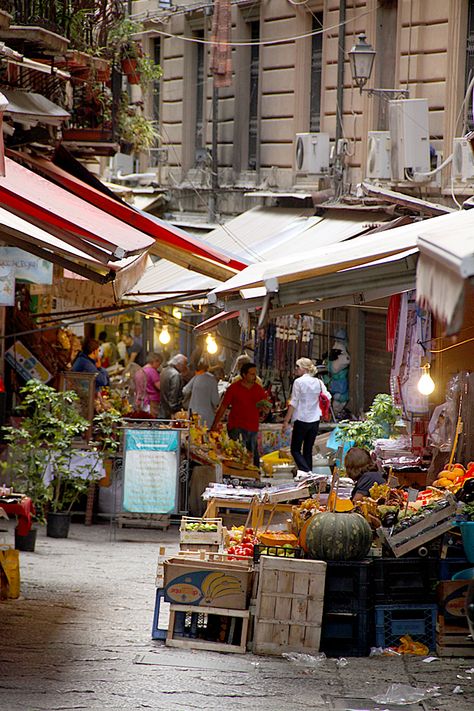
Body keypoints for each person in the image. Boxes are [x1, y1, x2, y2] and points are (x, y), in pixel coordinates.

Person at [281, 357, 331, 477]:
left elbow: (293, 403)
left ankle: (307, 472)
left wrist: (286, 421)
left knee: (295, 449)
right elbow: (328, 396)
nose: (296, 369)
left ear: (304, 368)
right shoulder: (318, 382)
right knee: (308, 449)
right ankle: (310, 475)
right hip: (314, 420)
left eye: (298, 366)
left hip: (301, 419)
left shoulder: (298, 382)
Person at [211, 362, 267, 467]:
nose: (254, 377)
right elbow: (223, 406)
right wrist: (215, 424)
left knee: (252, 454)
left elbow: (264, 407)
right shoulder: (233, 388)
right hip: (236, 426)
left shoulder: (259, 390)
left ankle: (254, 477)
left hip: (252, 427)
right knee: (237, 454)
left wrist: (264, 410)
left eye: (255, 374)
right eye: (251, 374)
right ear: (244, 375)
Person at [182, 358, 220, 428]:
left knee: (194, 435)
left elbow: (185, 390)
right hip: (207, 417)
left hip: (193, 413)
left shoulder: (196, 377)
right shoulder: (213, 380)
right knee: (204, 435)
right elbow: (215, 401)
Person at [159, 354, 188, 419]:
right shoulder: (175, 375)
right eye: (184, 365)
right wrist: (175, 409)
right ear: (179, 364)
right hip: (171, 411)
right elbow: (174, 394)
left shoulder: (164, 370)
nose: (185, 367)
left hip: (163, 408)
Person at [143, 352, 162, 417]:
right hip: (152, 400)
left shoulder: (143, 369)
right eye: (159, 364)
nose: (159, 366)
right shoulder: (152, 371)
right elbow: (159, 386)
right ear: (155, 361)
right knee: (153, 420)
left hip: (145, 400)